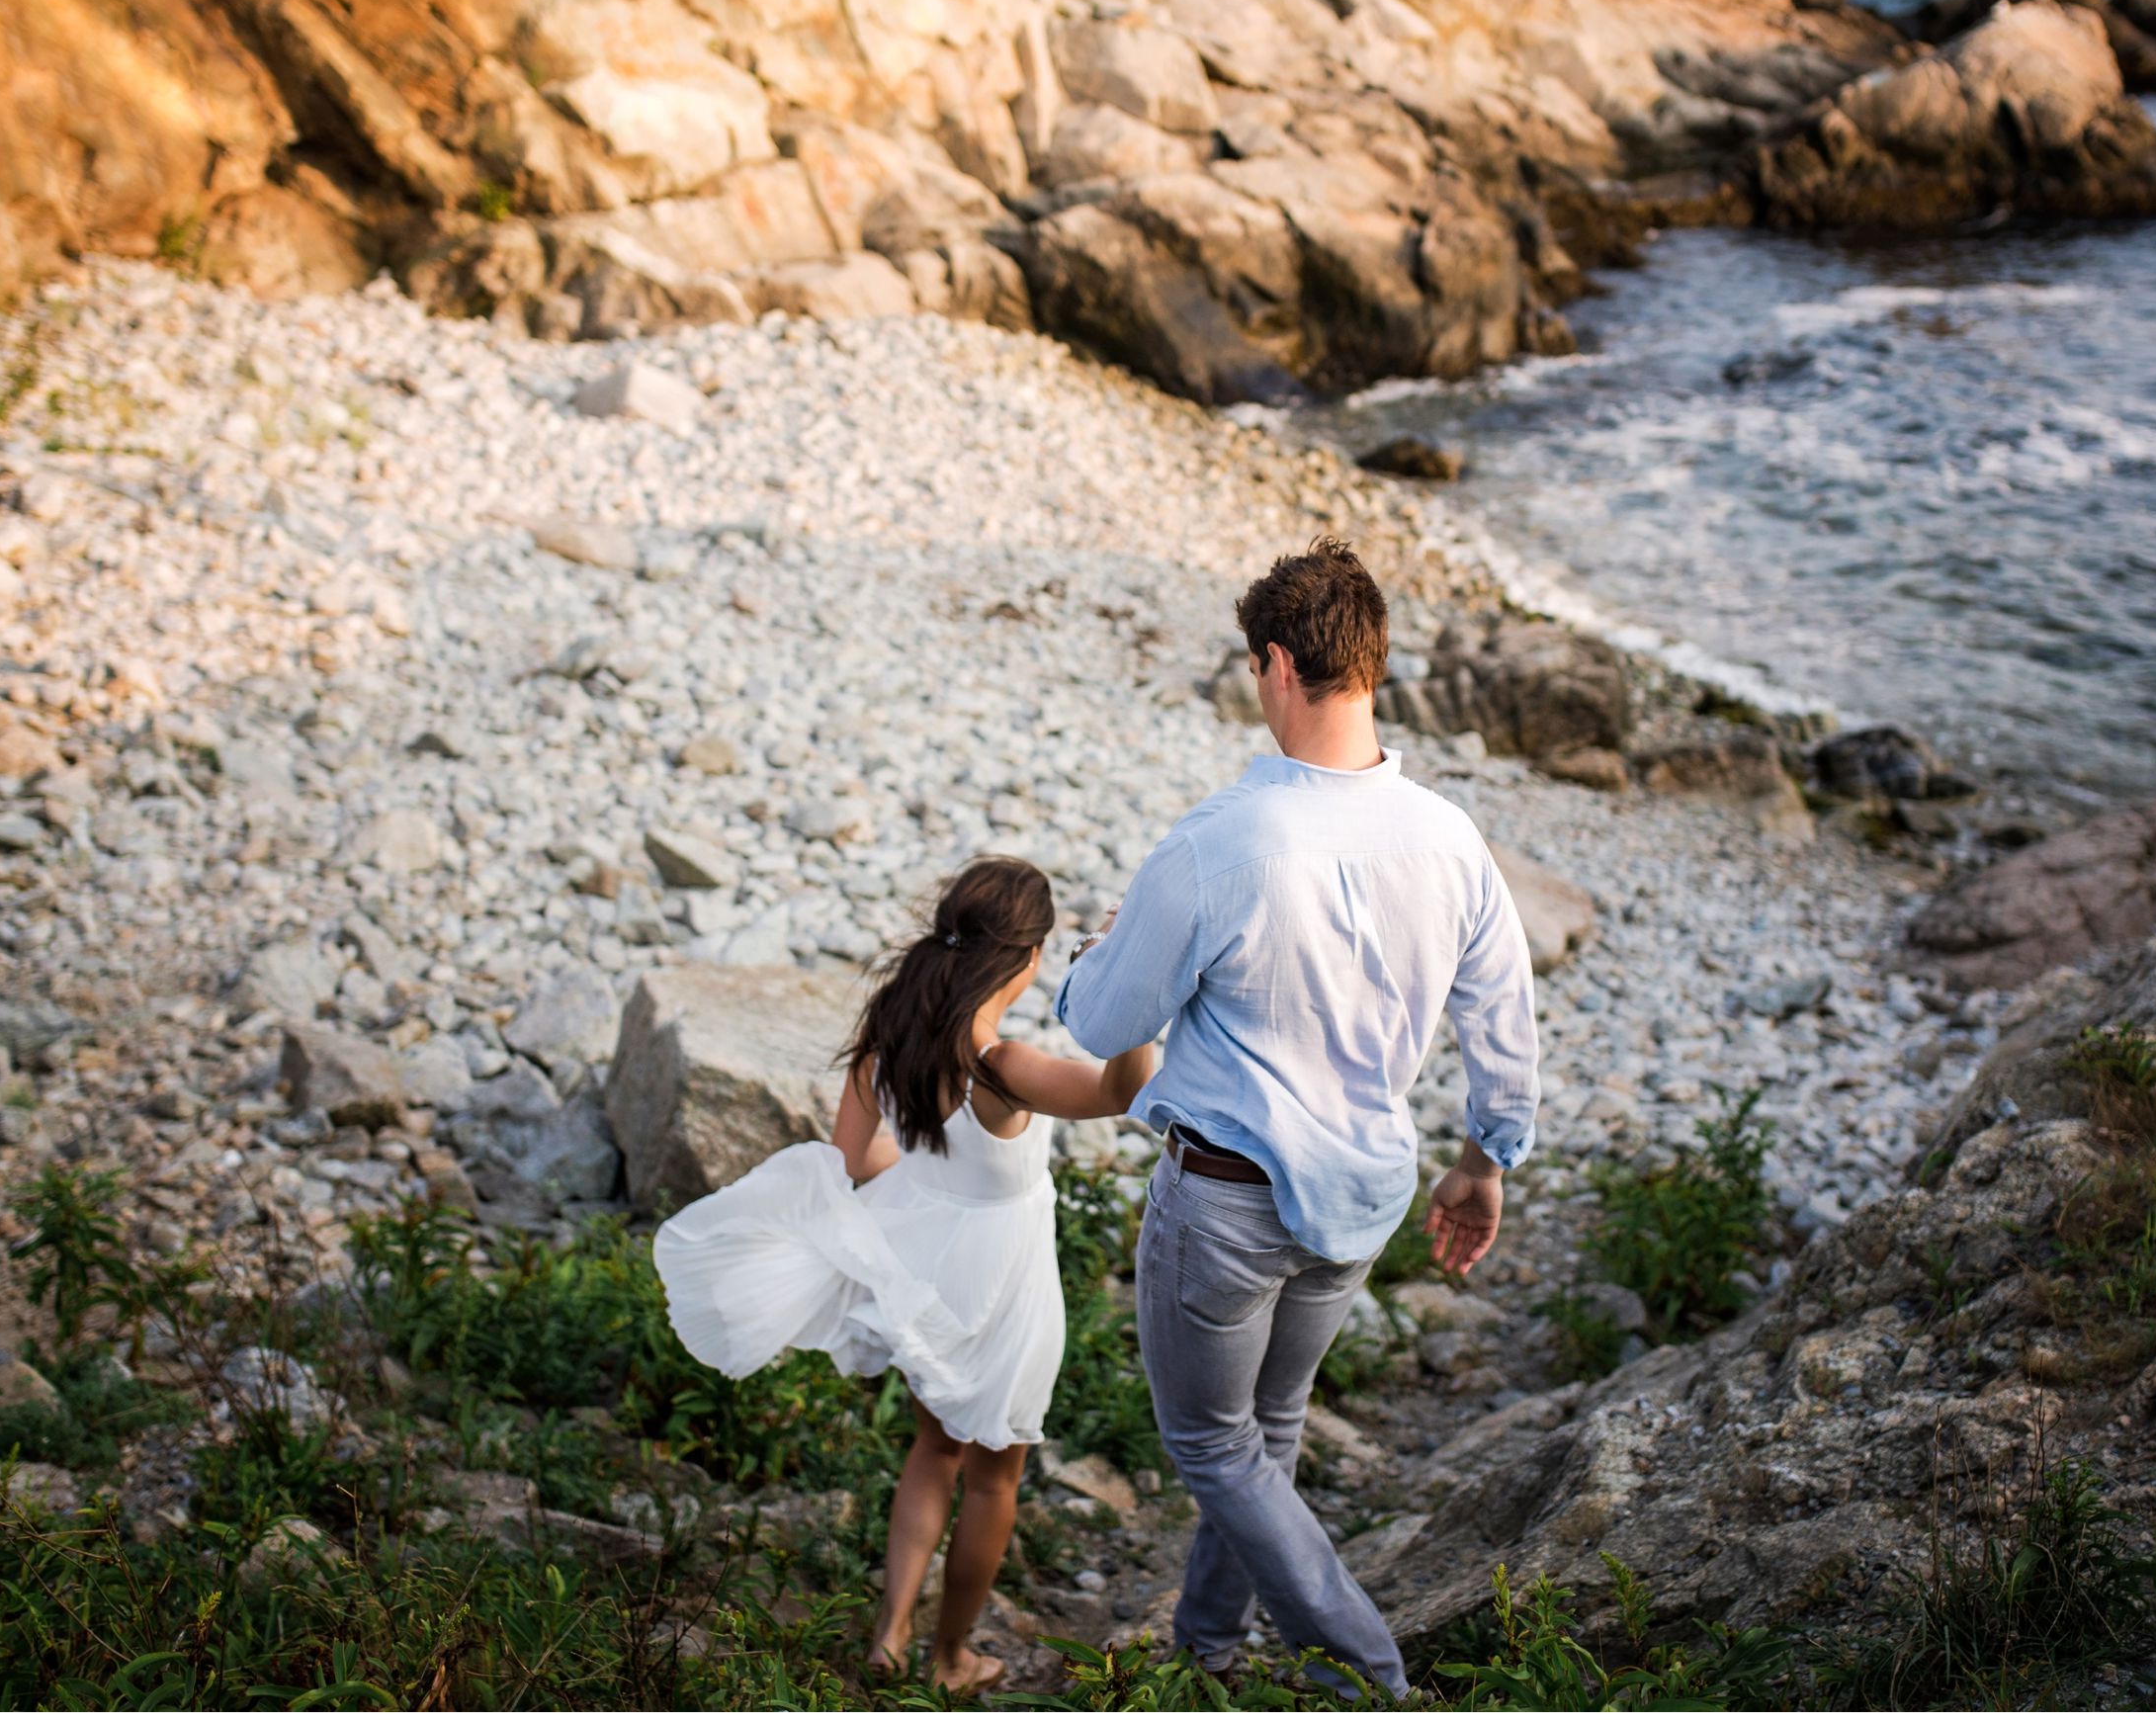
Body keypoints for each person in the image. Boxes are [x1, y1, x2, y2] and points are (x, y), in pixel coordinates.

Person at [1055, 537, 1541, 1699]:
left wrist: (1089, 958)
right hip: (1363, 1197)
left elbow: (1102, 1020)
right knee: (1265, 1434)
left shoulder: (1222, 839)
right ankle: (1209, 1650)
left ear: (1277, 664)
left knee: (1212, 1448)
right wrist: (1485, 1162)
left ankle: (1367, 1670)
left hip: (1226, 1201)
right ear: (1370, 665)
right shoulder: (1448, 837)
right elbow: (1503, 1021)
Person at [653, 855, 1158, 1692]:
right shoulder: (1001, 1063)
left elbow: (854, 1156)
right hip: (1001, 1284)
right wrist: (1133, 989)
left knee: (933, 1447)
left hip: (923, 1273)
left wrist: (930, 1189)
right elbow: (1119, 1091)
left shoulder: (897, 1028)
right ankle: (951, 1656)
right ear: (1028, 959)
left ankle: (888, 1634)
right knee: (994, 1474)